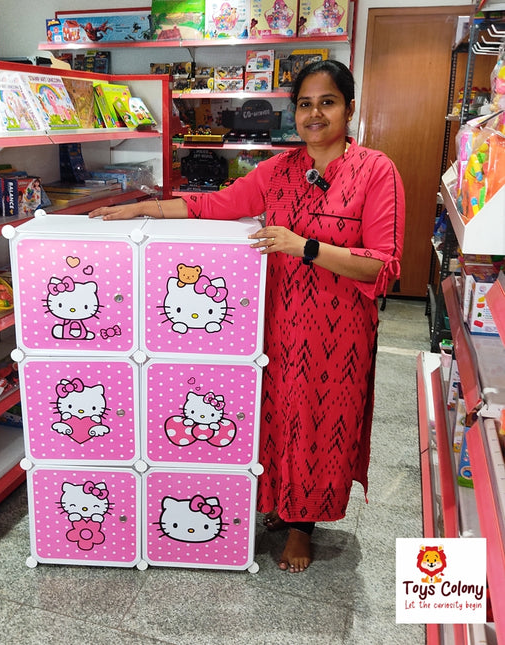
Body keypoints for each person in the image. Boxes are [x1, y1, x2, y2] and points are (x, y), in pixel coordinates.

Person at [89, 60, 405, 573]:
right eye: (304, 104)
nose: (315, 114)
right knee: (274, 417)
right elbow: (214, 204)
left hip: (338, 331)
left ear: (349, 108)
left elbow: (383, 264)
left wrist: (304, 246)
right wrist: (144, 208)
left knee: (320, 422)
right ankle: (280, 503)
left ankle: (303, 524)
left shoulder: (376, 170)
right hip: (274, 324)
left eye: (327, 102)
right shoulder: (278, 171)